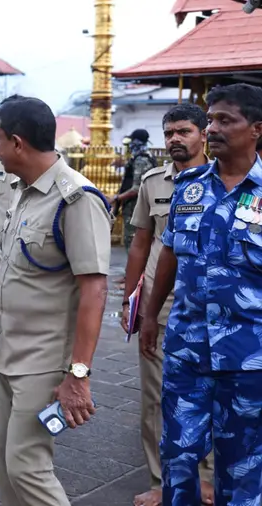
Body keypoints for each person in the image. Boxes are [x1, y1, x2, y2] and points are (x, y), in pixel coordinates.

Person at [139, 83, 262, 506]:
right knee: (178, 454)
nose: (213, 128)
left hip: (249, 358)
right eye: (210, 120)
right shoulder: (190, 186)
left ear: (257, 129)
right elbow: (170, 254)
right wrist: (150, 315)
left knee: (243, 465)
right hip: (187, 350)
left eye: (225, 120)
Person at [0, 97, 111, 505]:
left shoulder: (75, 199)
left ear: (18, 144)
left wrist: (78, 374)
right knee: (5, 466)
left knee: (28, 467)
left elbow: (94, 290)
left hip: (43, 364)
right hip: (7, 353)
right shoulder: (23, 192)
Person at [122, 103, 215, 506]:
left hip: (212, 308)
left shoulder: (227, 179)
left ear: (203, 134)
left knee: (211, 393)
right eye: (169, 133)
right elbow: (141, 243)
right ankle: (162, 481)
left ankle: (206, 479)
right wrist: (132, 305)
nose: (175, 139)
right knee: (157, 398)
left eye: (184, 131)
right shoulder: (152, 182)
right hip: (159, 308)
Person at [112, 129, 157, 253]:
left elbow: (137, 189)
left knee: (133, 242)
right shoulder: (144, 156)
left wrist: (117, 198)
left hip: (136, 208)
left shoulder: (141, 159)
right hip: (138, 206)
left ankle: (135, 272)